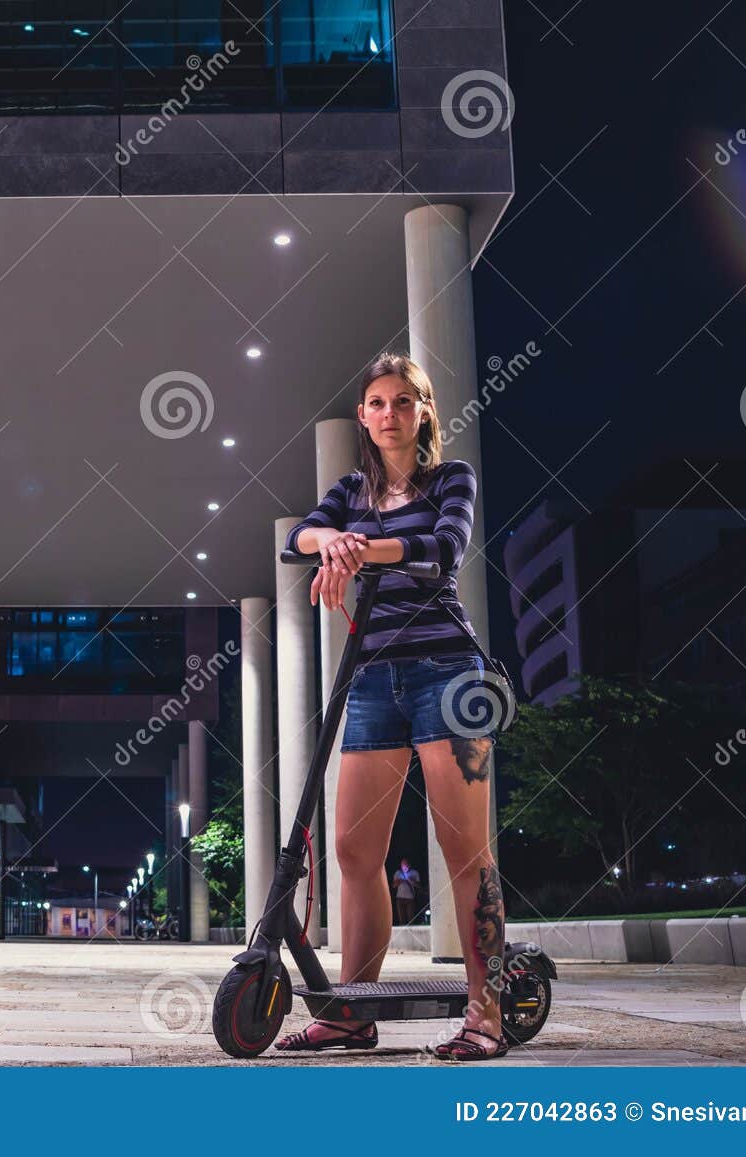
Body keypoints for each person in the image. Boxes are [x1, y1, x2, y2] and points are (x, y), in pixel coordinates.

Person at [272, 353, 507, 1061]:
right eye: (375, 402)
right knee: (351, 849)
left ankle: (486, 1012)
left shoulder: (450, 480)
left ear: (424, 412)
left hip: (449, 676)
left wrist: (358, 549)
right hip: (374, 678)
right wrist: (335, 540)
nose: (388, 413)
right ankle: (350, 1012)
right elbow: (300, 537)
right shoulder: (351, 489)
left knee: (465, 846)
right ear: (363, 416)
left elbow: (443, 547)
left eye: (403, 401)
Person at [392, 858, 420, 926]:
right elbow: (394, 885)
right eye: (402, 865)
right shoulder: (398, 873)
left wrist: (411, 881)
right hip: (399, 898)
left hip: (410, 898)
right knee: (402, 921)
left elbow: (419, 886)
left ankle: (411, 934)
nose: (404, 867)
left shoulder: (414, 872)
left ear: (409, 865)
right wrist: (400, 880)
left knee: (411, 919)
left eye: (406, 865)